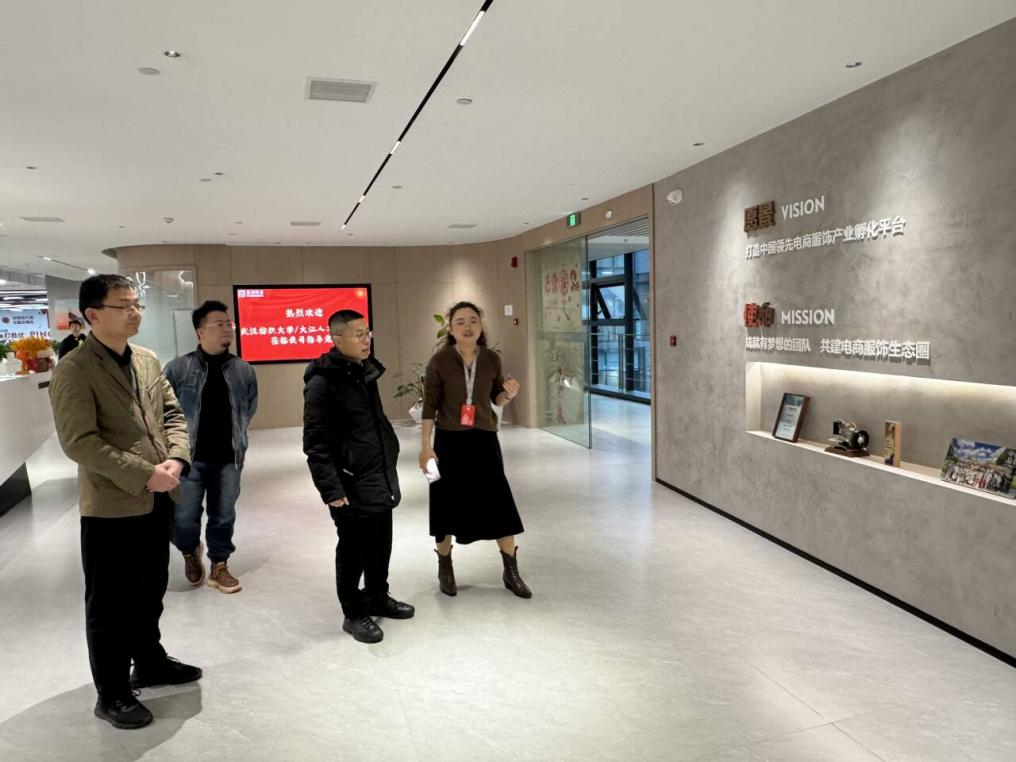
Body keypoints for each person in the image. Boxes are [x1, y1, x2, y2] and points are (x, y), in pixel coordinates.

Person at [48, 274, 201, 730]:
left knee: (149, 589)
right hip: (111, 507)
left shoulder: (147, 359)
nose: (135, 312)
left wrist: (177, 459)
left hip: (158, 497)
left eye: (137, 304)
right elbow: (79, 442)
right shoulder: (75, 370)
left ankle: (149, 662)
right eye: (123, 305)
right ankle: (111, 692)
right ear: (93, 315)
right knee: (110, 604)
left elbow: (172, 414)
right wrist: (144, 473)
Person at [302, 309, 414, 644]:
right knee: (353, 549)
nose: (366, 340)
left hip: (376, 473)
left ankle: (377, 595)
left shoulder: (364, 373)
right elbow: (315, 443)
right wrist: (331, 489)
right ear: (337, 339)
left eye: (368, 333)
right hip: (349, 482)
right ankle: (353, 613)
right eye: (358, 334)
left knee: (381, 541)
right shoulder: (322, 383)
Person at [419, 301, 531, 599]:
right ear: (450, 328)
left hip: (484, 439)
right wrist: (426, 447)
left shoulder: (492, 359)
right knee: (444, 504)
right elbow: (429, 406)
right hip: (448, 442)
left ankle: (511, 571)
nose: (467, 326)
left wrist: (508, 394)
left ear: (480, 325)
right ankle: (445, 566)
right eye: (460, 321)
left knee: (499, 502)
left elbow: (495, 396)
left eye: (473, 320)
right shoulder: (440, 361)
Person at [163, 300, 258, 594]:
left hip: (229, 457)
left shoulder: (243, 370)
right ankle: (190, 550)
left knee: (223, 515)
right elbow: (163, 412)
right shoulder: (178, 369)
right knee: (182, 519)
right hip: (188, 459)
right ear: (200, 332)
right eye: (219, 324)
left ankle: (219, 564)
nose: (227, 329)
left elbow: (249, 408)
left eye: (229, 324)